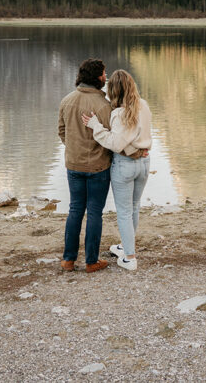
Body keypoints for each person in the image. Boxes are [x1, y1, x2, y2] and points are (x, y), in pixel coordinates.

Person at [82, 69, 152, 271]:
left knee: (123, 212)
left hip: (124, 166)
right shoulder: (144, 106)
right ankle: (124, 246)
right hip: (144, 163)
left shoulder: (119, 113)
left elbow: (114, 143)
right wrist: (135, 151)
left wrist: (95, 125)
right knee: (134, 206)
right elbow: (140, 136)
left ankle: (129, 258)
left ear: (113, 91)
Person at [58, 58, 113, 273]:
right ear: (96, 77)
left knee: (75, 210)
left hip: (73, 165)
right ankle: (91, 261)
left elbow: (61, 132)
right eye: (103, 74)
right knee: (95, 213)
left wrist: (74, 149)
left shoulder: (67, 100)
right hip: (98, 167)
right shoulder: (103, 105)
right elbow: (110, 138)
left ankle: (68, 260)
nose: (105, 77)